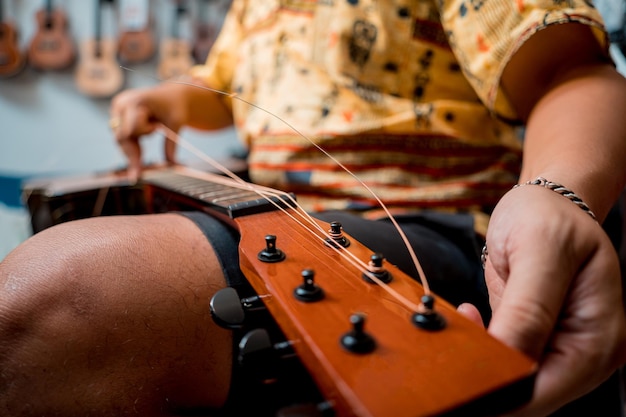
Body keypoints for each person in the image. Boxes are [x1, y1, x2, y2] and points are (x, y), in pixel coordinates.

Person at [1, 0, 626, 416]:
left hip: (426, 228)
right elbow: (221, 88)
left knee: (49, 300)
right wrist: (162, 98)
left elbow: (571, 72)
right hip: (275, 210)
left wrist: (558, 192)